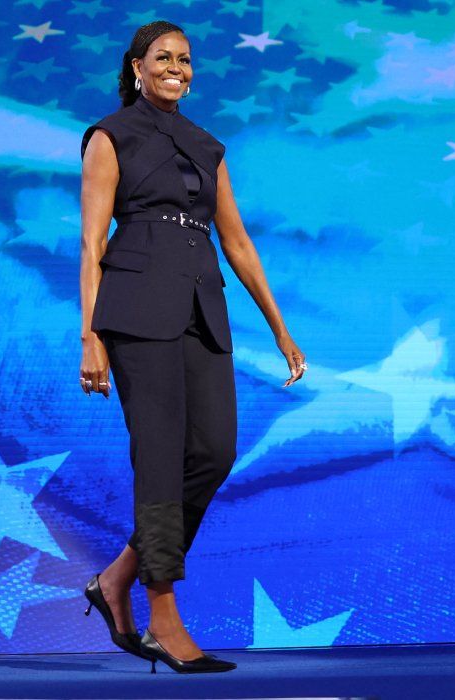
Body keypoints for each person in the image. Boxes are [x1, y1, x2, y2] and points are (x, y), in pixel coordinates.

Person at [77, 21, 306, 674]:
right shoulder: (108, 136)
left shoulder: (207, 145)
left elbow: (235, 242)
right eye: (162, 57)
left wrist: (279, 327)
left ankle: (117, 576)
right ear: (137, 67)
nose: (176, 66)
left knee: (213, 450)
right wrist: (90, 336)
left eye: (184, 58)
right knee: (158, 458)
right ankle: (163, 616)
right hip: (134, 306)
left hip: (202, 307)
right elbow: (93, 243)